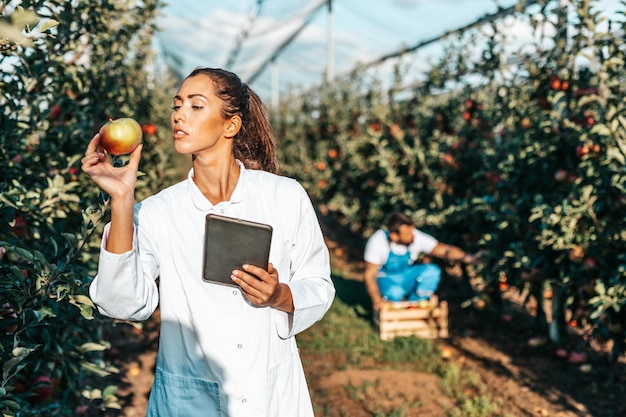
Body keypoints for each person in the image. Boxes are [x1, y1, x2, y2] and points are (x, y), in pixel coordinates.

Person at [82, 68, 335, 417]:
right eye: (176, 106)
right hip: (189, 401)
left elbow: (319, 284)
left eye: (196, 106)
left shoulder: (284, 196)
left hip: (270, 395)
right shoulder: (158, 212)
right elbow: (121, 304)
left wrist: (280, 296)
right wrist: (122, 199)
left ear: (230, 125)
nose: (179, 115)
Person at [363, 212, 479, 311]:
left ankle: (415, 306)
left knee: (432, 271)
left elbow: (444, 250)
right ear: (394, 236)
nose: (412, 236)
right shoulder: (378, 241)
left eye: (412, 231)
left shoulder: (416, 237)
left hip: (405, 276)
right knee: (395, 292)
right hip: (386, 278)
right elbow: (370, 274)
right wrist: (376, 300)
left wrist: (471, 258)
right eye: (407, 234)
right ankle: (393, 304)